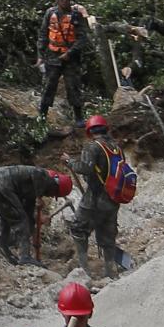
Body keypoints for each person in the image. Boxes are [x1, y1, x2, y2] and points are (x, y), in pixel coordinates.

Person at [70, 116, 130, 276]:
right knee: (108, 235)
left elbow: (86, 168)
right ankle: (110, 272)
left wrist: (70, 162)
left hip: (94, 199)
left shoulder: (92, 147)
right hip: (113, 198)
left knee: (78, 229)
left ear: (89, 132)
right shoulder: (117, 148)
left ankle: (84, 270)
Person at [0, 165, 73, 266]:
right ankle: (25, 256)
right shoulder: (44, 177)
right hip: (0, 183)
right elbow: (37, 172)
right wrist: (39, 197)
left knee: (7, 218)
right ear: (55, 187)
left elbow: (28, 213)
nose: (51, 196)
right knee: (21, 220)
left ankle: (4, 248)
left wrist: (34, 225)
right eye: (54, 194)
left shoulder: (32, 189)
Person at [39, 0, 90, 122]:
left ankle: (79, 117)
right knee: (48, 86)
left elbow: (82, 38)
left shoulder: (76, 15)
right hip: (52, 55)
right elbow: (43, 34)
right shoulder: (50, 13)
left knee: (73, 86)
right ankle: (42, 117)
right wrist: (40, 54)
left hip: (71, 57)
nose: (64, 1)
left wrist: (70, 53)